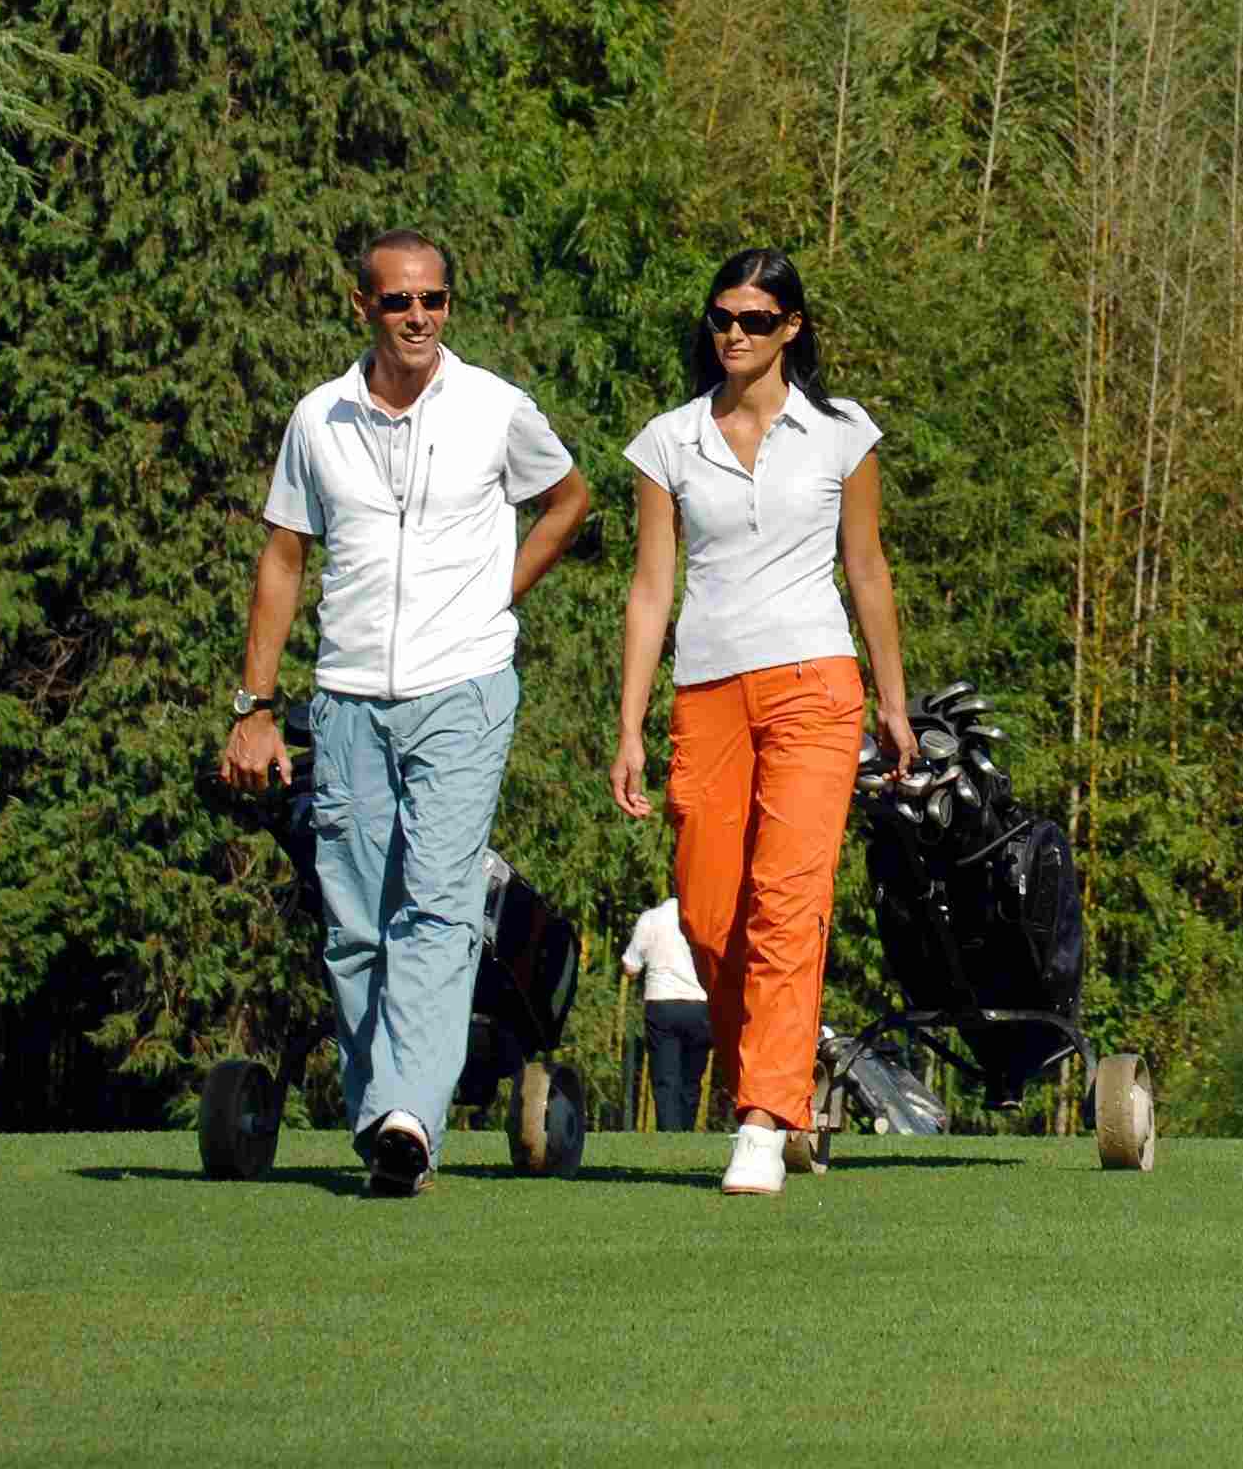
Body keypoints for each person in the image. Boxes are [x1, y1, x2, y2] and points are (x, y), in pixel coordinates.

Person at [223, 231, 593, 1199]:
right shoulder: (318, 418)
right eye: (398, 301)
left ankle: (408, 1123)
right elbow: (282, 561)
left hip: (464, 687)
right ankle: (381, 1111)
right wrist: (256, 706)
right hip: (345, 699)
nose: (419, 317)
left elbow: (568, 498)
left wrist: (497, 598)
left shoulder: (495, 407)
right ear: (363, 307)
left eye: (435, 299)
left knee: (435, 905)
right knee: (352, 922)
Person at [612, 247, 919, 1196]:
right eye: (720, 319)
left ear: (792, 328)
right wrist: (630, 725)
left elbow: (866, 571)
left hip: (816, 685)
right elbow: (650, 588)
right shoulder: (668, 441)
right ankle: (776, 1085)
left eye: (753, 320)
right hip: (706, 690)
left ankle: (761, 1117)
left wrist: (896, 701)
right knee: (709, 915)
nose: (732, 335)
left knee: (789, 900)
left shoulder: (841, 433)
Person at [621, 895, 709, 1131]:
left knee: (665, 1078)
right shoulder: (707, 917)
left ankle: (669, 1133)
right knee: (691, 1079)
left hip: (661, 1003)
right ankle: (687, 1132)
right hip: (700, 1005)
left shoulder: (650, 919)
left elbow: (631, 966)